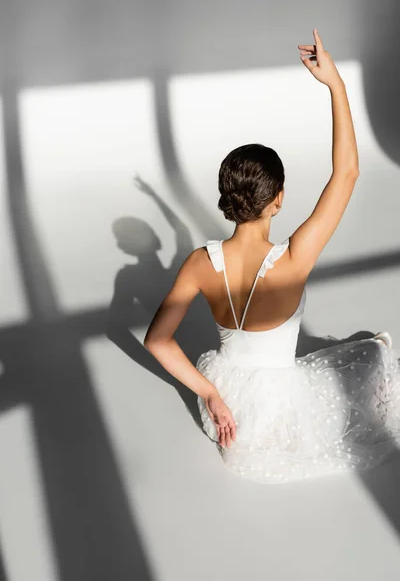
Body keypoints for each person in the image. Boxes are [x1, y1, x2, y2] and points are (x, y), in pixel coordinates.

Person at [143, 29, 400, 483]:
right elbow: (348, 172)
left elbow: (157, 341)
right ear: (277, 200)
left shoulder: (200, 263)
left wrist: (212, 397)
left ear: (227, 197)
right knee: (375, 358)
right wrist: (336, 85)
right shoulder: (293, 260)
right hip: (287, 416)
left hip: (232, 412)